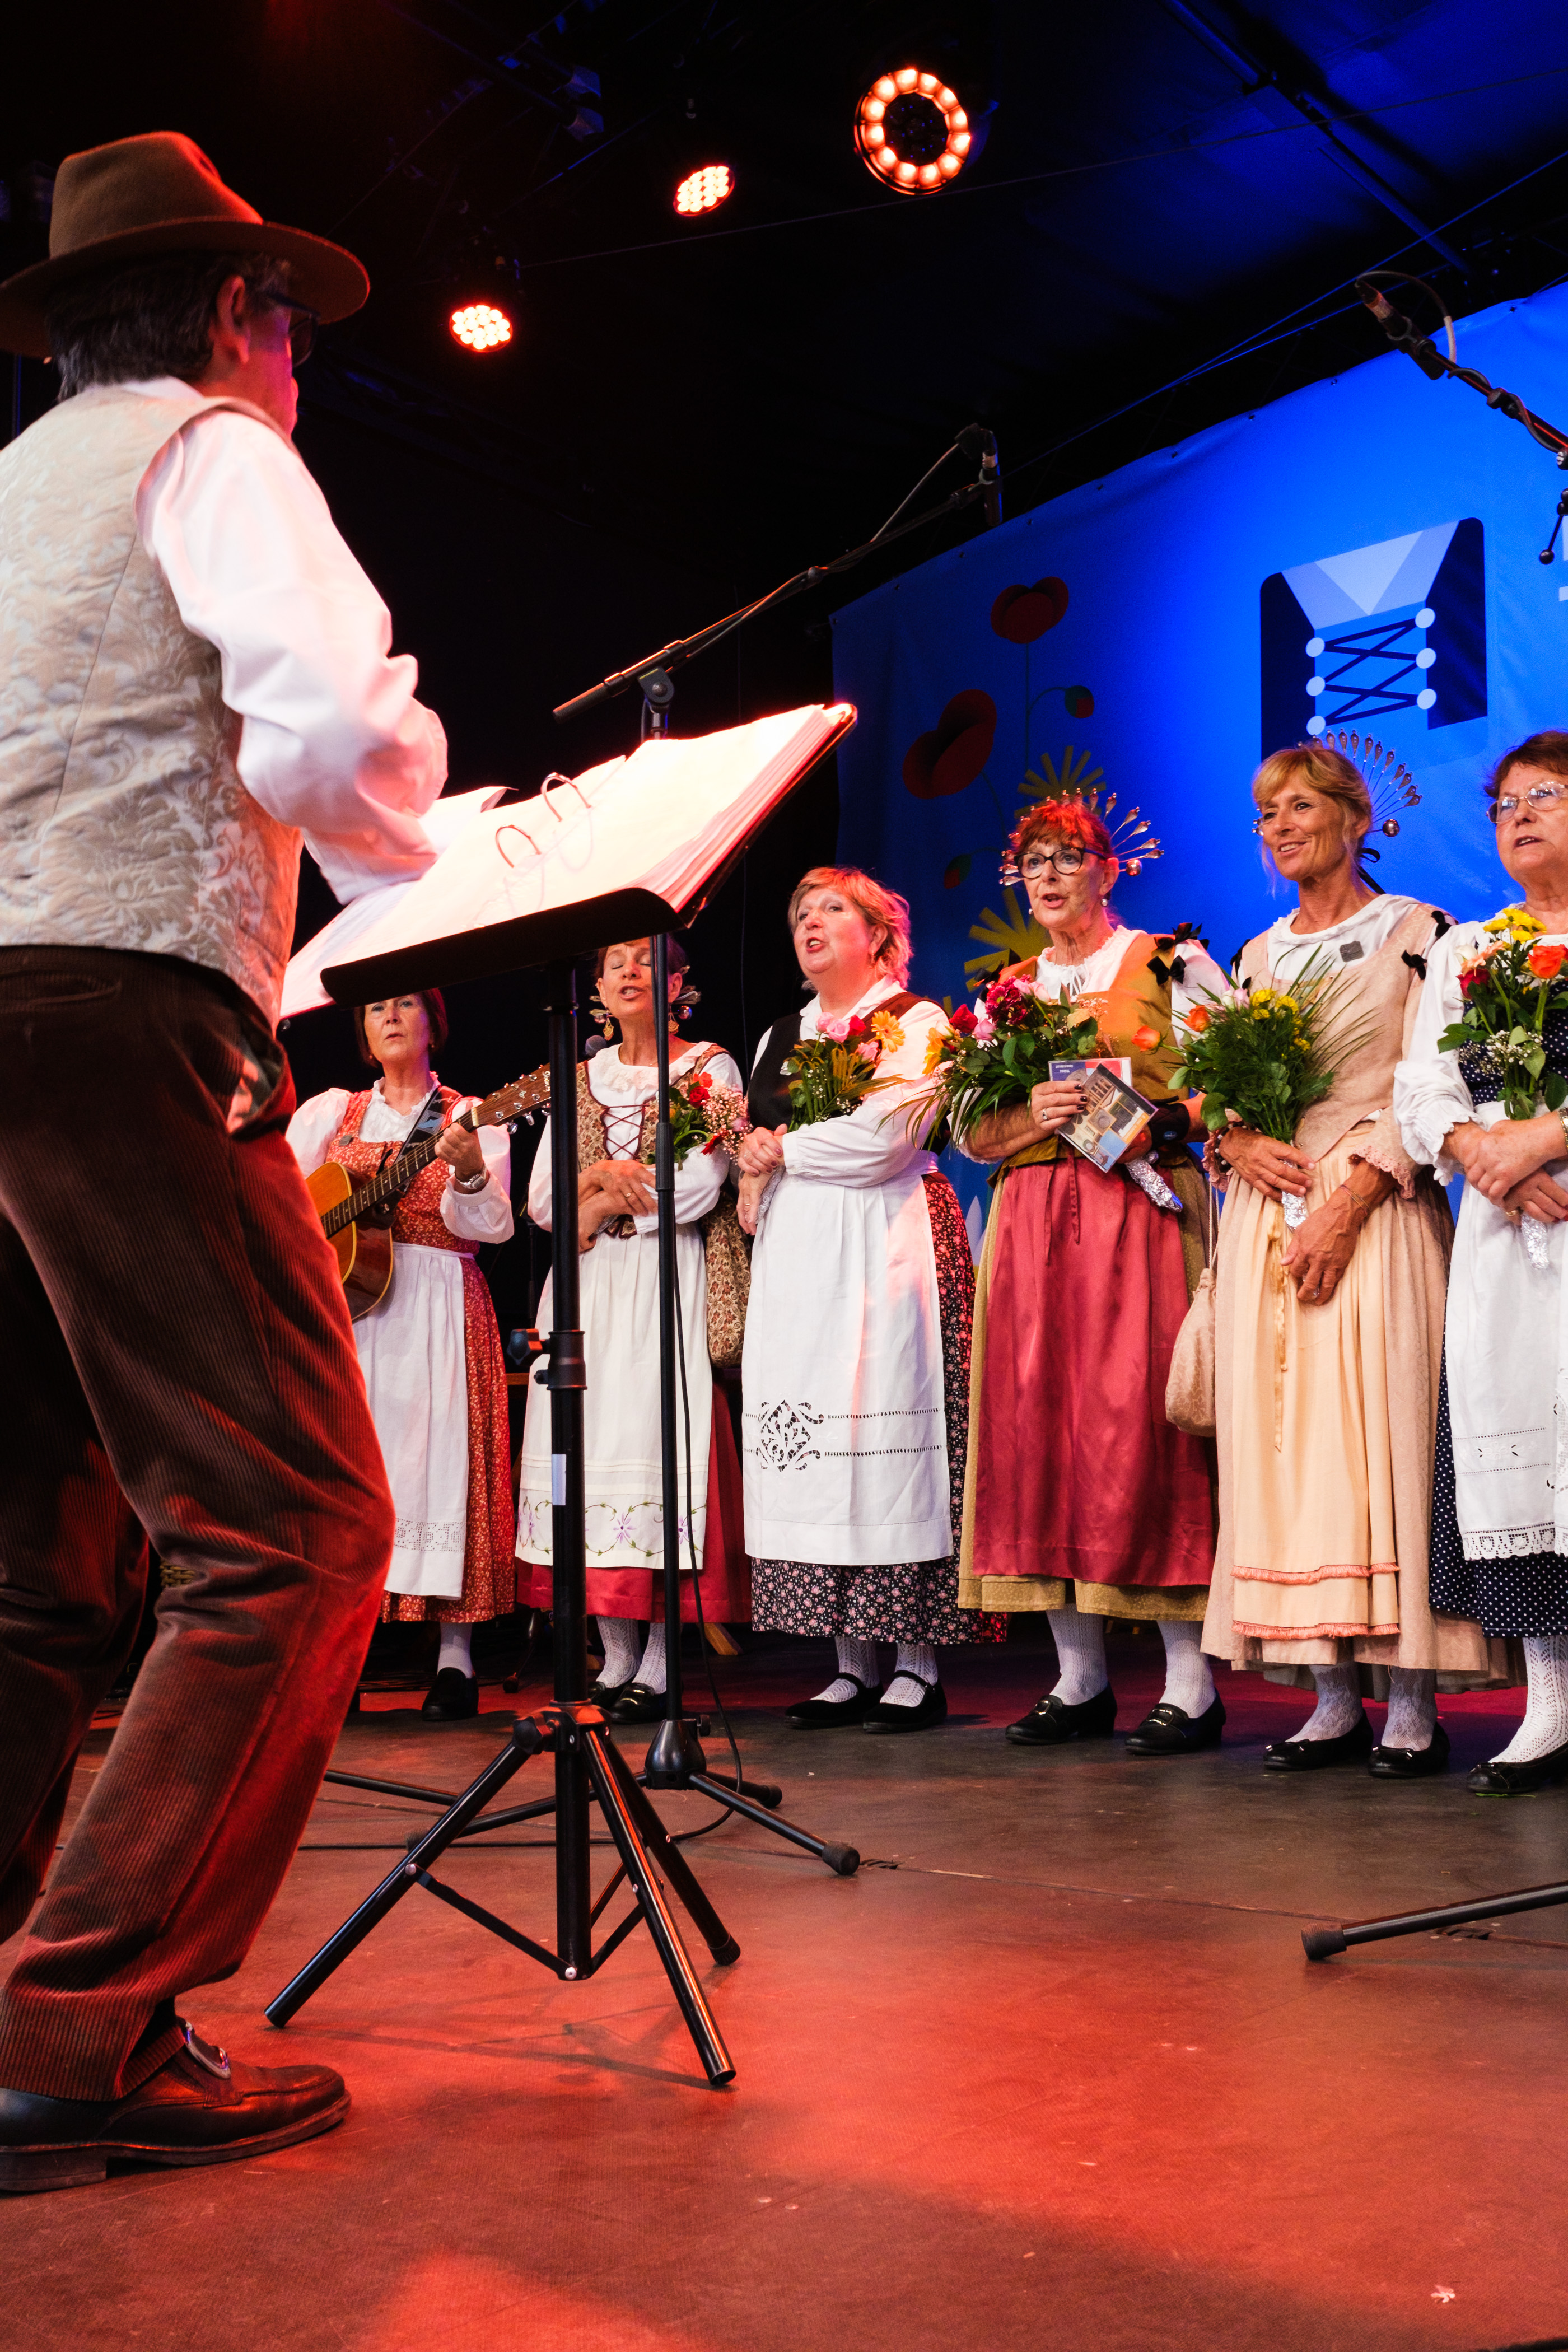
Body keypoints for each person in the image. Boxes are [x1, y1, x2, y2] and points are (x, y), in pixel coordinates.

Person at [0, 132, 447, 2189]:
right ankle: (80, 2024)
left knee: (38, 1552)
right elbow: (323, 718)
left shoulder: (13, 485)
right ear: (228, 316)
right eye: (282, 322)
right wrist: (418, 852)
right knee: (292, 1521)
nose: (292, 364)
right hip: (119, 999)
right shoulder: (211, 452)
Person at [1203, 741, 1511, 1776]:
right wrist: (1238, 1140)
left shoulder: (1419, 932)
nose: (1280, 826)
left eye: (1299, 806)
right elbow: (1227, 1099)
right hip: (1270, 1212)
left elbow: (1430, 1088)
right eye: (1265, 815)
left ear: (1352, 815)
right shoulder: (1252, 955)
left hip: (1373, 1204)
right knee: (1286, 1453)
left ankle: (1413, 1702)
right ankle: (1330, 1696)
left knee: (1382, 1441)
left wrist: (1351, 1199)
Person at [956, 798, 1228, 1754]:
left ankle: (1190, 1685)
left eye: (1069, 856)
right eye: (1031, 861)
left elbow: (1232, 1083)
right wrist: (1037, 1110)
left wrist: (1164, 1117)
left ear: (1111, 869)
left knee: (1140, 1433)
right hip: (1033, 1228)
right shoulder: (1004, 993)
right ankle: (1079, 1678)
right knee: (1043, 1435)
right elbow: (971, 1132)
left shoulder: (1170, 963)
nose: (1048, 875)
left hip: (1136, 1218)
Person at [736, 868, 1003, 1732]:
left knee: (890, 1431)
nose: (811, 923)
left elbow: (888, 1137)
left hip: (886, 1244)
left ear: (879, 933)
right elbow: (756, 1140)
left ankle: (917, 1664)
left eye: (832, 910)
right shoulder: (782, 1033)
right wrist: (750, 1164)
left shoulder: (915, 1021)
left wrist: (781, 1153)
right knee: (813, 1443)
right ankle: (848, 1662)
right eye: (800, 912)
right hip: (799, 1255)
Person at [1396, 732, 1568, 1793]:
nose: (1518, 814)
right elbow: (1422, 1092)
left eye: (1543, 794)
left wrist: (1543, 1141)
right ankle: (1552, 1706)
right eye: (1503, 803)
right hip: (1509, 1240)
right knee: (1530, 1463)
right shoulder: (1472, 953)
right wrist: (1481, 1156)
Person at [516, 940, 748, 1718]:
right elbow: (544, 1204)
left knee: (650, 1447)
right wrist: (599, 1189)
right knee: (586, 1450)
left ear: (679, 981)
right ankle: (613, 1659)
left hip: (663, 1279)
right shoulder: (578, 1079)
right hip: (584, 1291)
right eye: (612, 963)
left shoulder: (709, 1068)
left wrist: (600, 1198)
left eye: (643, 961)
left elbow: (698, 1186)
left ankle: (655, 1661)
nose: (623, 973)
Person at [287, 990, 515, 1721]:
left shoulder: (467, 1115)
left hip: (440, 1301)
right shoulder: (331, 1114)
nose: (388, 1015)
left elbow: (489, 1226)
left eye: (406, 1003)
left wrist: (472, 1169)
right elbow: (283, 1210)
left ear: (432, 1022)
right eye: (375, 1007)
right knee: (355, 1479)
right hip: (352, 1316)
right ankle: (343, 1657)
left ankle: (455, 1661)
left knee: (446, 1468)